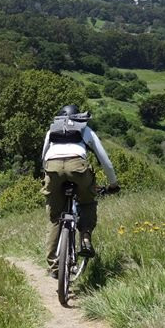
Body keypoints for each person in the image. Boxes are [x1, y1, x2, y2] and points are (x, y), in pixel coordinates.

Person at [41, 105, 119, 276]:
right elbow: (104, 160)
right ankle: (85, 237)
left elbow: (43, 158)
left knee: (54, 217)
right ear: (78, 117)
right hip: (78, 168)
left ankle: (54, 267)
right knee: (87, 202)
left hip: (52, 168)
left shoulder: (52, 130)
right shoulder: (85, 129)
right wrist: (113, 183)